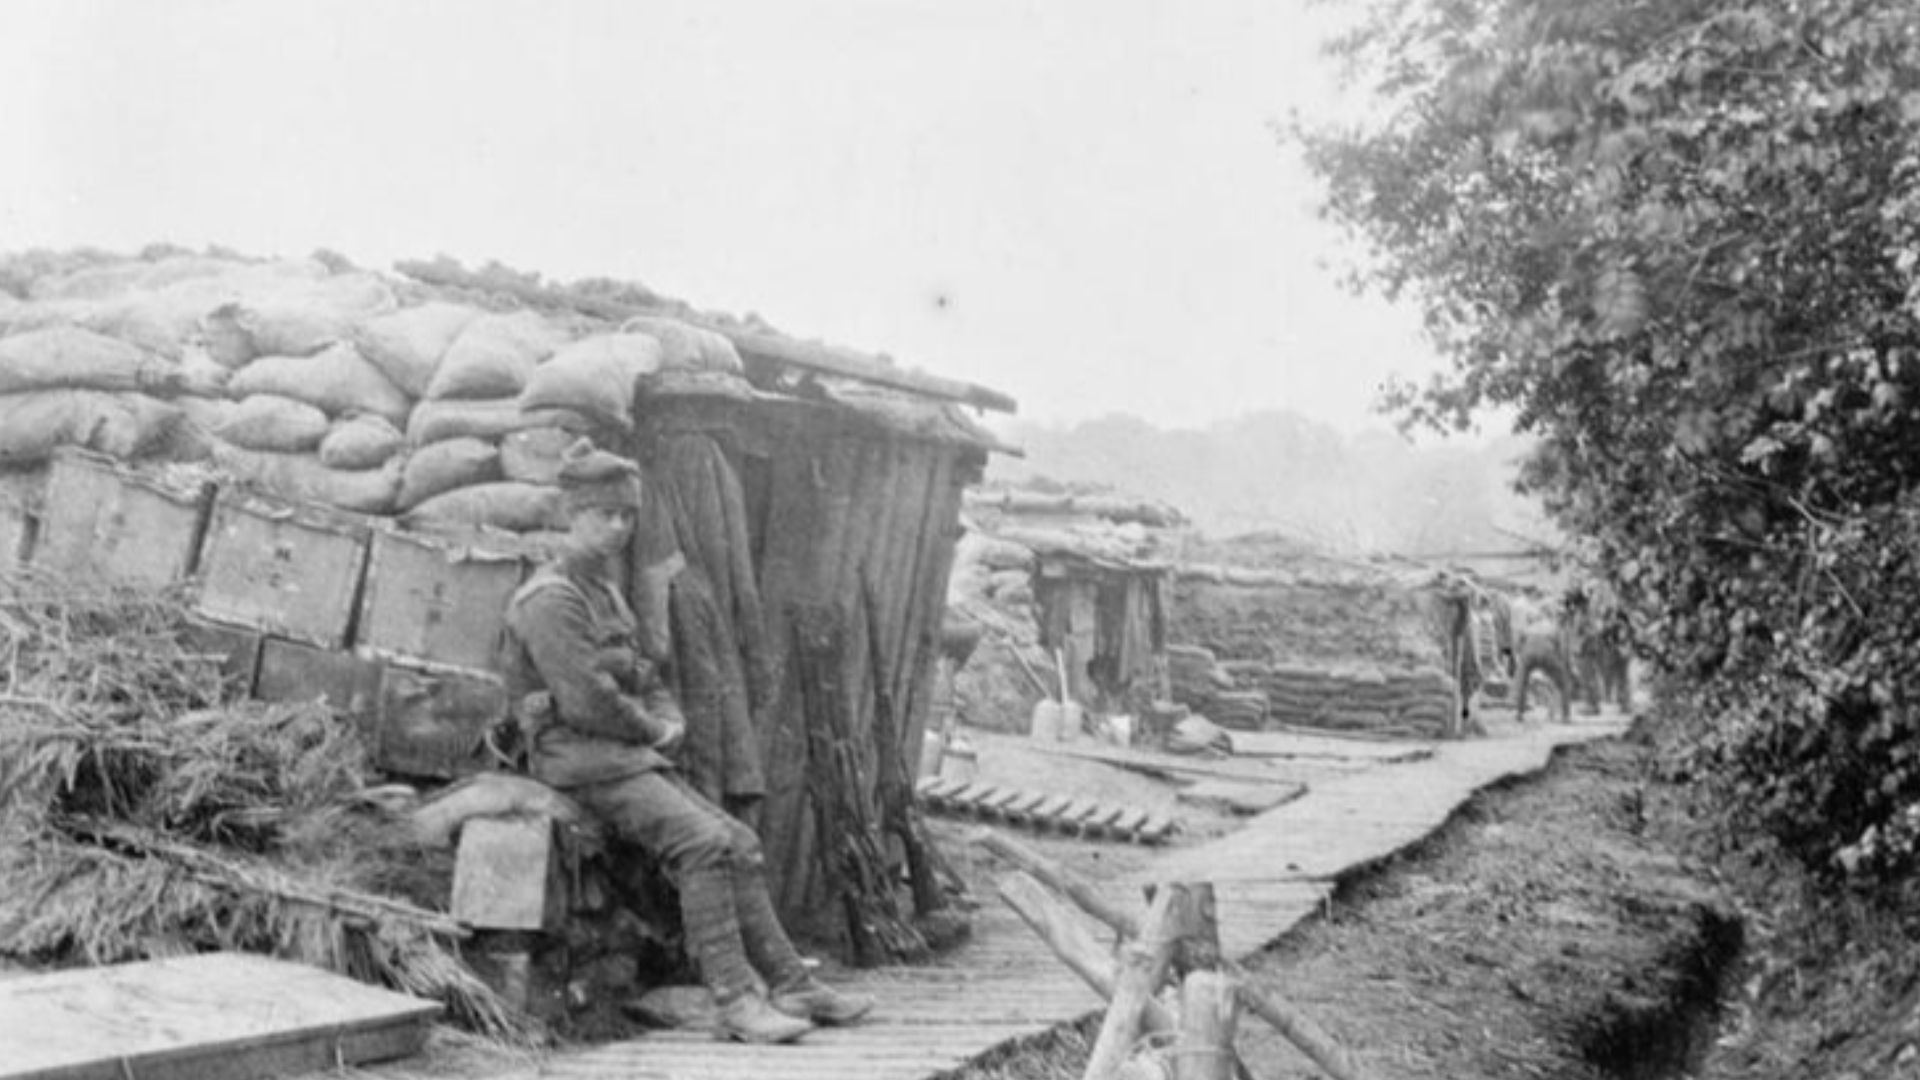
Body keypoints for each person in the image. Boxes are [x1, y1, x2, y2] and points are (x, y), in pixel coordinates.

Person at [500, 439, 872, 1044]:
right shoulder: (551, 600)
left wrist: (668, 717)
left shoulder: (604, 591)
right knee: (702, 842)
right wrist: (654, 730)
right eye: (604, 515)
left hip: (624, 756)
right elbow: (587, 700)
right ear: (571, 516)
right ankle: (734, 1000)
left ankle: (791, 983)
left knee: (740, 840)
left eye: (626, 516)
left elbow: (645, 674)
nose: (618, 528)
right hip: (577, 760)